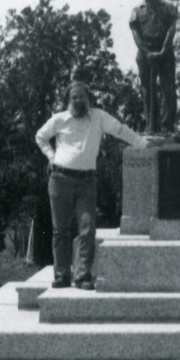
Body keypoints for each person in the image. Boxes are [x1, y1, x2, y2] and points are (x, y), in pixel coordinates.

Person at [35, 79, 149, 290]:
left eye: (82, 97)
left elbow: (121, 130)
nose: (78, 100)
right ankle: (61, 275)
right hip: (60, 180)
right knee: (60, 231)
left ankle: (83, 276)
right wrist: (51, 156)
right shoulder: (59, 120)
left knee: (87, 229)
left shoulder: (99, 117)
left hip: (87, 182)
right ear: (68, 100)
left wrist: (142, 144)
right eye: (74, 97)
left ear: (89, 99)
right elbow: (40, 137)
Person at [129, 0, 178, 135]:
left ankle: (166, 128)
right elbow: (135, 33)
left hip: (165, 53)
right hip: (145, 53)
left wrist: (164, 50)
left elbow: (172, 29)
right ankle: (151, 126)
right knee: (146, 90)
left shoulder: (168, 8)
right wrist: (147, 52)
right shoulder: (136, 11)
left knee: (168, 90)